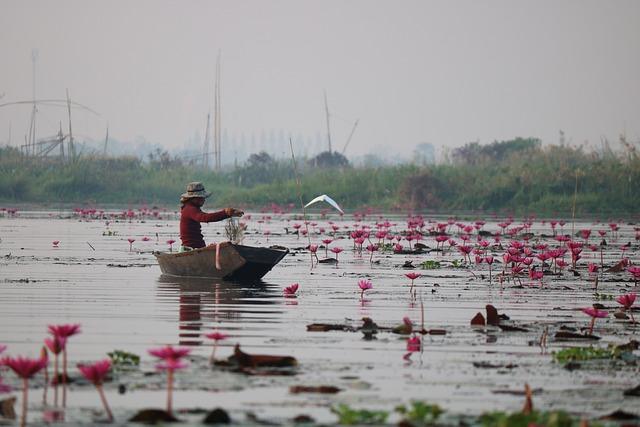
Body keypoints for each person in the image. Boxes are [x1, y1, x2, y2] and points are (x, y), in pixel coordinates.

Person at [179, 182, 243, 250]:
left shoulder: (191, 208)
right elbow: (204, 217)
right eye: (201, 197)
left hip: (197, 248)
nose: (204, 199)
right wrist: (225, 213)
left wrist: (227, 214)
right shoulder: (190, 209)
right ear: (194, 198)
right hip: (191, 249)